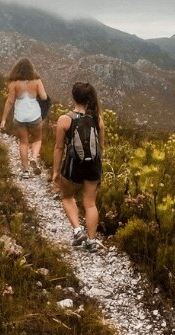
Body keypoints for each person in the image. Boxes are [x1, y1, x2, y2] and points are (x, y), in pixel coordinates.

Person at [52, 82, 104, 252]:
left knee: (67, 197)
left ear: (73, 97)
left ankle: (77, 230)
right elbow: (101, 147)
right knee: (90, 204)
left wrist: (55, 171)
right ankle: (91, 240)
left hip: (73, 166)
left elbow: (59, 148)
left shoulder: (64, 120)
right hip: (93, 167)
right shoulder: (97, 119)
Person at [0, 58, 48, 179]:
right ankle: (34, 158)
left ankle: (25, 171)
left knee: (23, 142)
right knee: (37, 139)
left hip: (19, 116)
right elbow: (44, 97)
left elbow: (10, 101)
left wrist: (3, 119)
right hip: (34, 116)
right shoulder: (36, 81)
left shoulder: (13, 83)